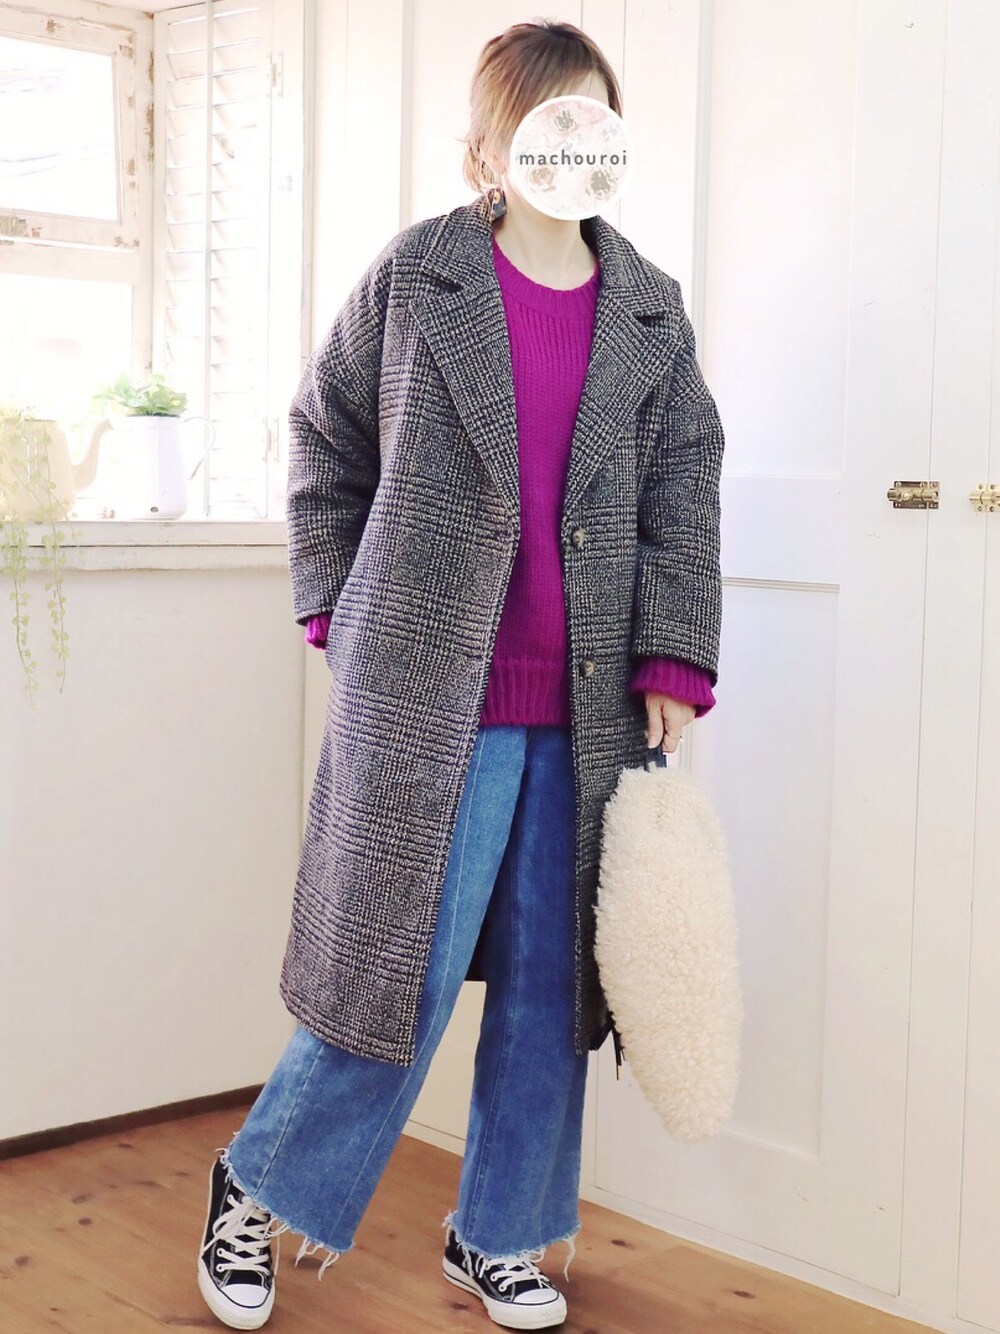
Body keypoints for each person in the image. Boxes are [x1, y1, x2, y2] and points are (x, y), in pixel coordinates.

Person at [196, 18, 723, 1332]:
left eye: (592, 123)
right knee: (398, 967)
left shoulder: (650, 307)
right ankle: (256, 1186)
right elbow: (323, 438)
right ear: (487, 146)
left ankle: (500, 1233)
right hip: (432, 698)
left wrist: (674, 652)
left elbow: (684, 484)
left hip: (588, 706)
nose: (570, 148)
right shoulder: (416, 277)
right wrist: (336, 607)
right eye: (544, 125)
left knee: (553, 982)